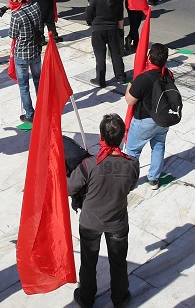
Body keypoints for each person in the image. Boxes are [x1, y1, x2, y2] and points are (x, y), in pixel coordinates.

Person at [68, 114, 139, 308]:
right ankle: (120, 298)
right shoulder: (132, 164)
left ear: (101, 137)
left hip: (90, 222)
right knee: (118, 262)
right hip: (117, 222)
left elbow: (69, 188)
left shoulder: (89, 165)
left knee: (88, 262)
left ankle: (86, 297)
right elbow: (130, 186)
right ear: (122, 137)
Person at [124, 43, 172, 188]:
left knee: (133, 151)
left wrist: (129, 86)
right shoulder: (168, 74)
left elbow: (129, 100)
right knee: (158, 146)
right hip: (162, 119)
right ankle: (154, 179)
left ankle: (129, 182)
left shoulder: (143, 78)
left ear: (149, 57)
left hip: (144, 121)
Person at [6, 0, 43, 123]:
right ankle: (43, 108)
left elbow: (12, 34)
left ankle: (29, 114)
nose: (10, 1)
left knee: (23, 86)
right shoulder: (35, 7)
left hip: (22, 54)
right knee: (39, 81)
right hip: (35, 51)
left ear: (19, 0)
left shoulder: (16, 15)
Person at [85, 0, 126, 86]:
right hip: (113, 29)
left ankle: (100, 80)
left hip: (98, 30)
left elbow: (88, 15)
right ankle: (121, 77)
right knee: (116, 54)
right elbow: (120, 17)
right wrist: (121, 31)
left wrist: (91, 22)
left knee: (100, 56)